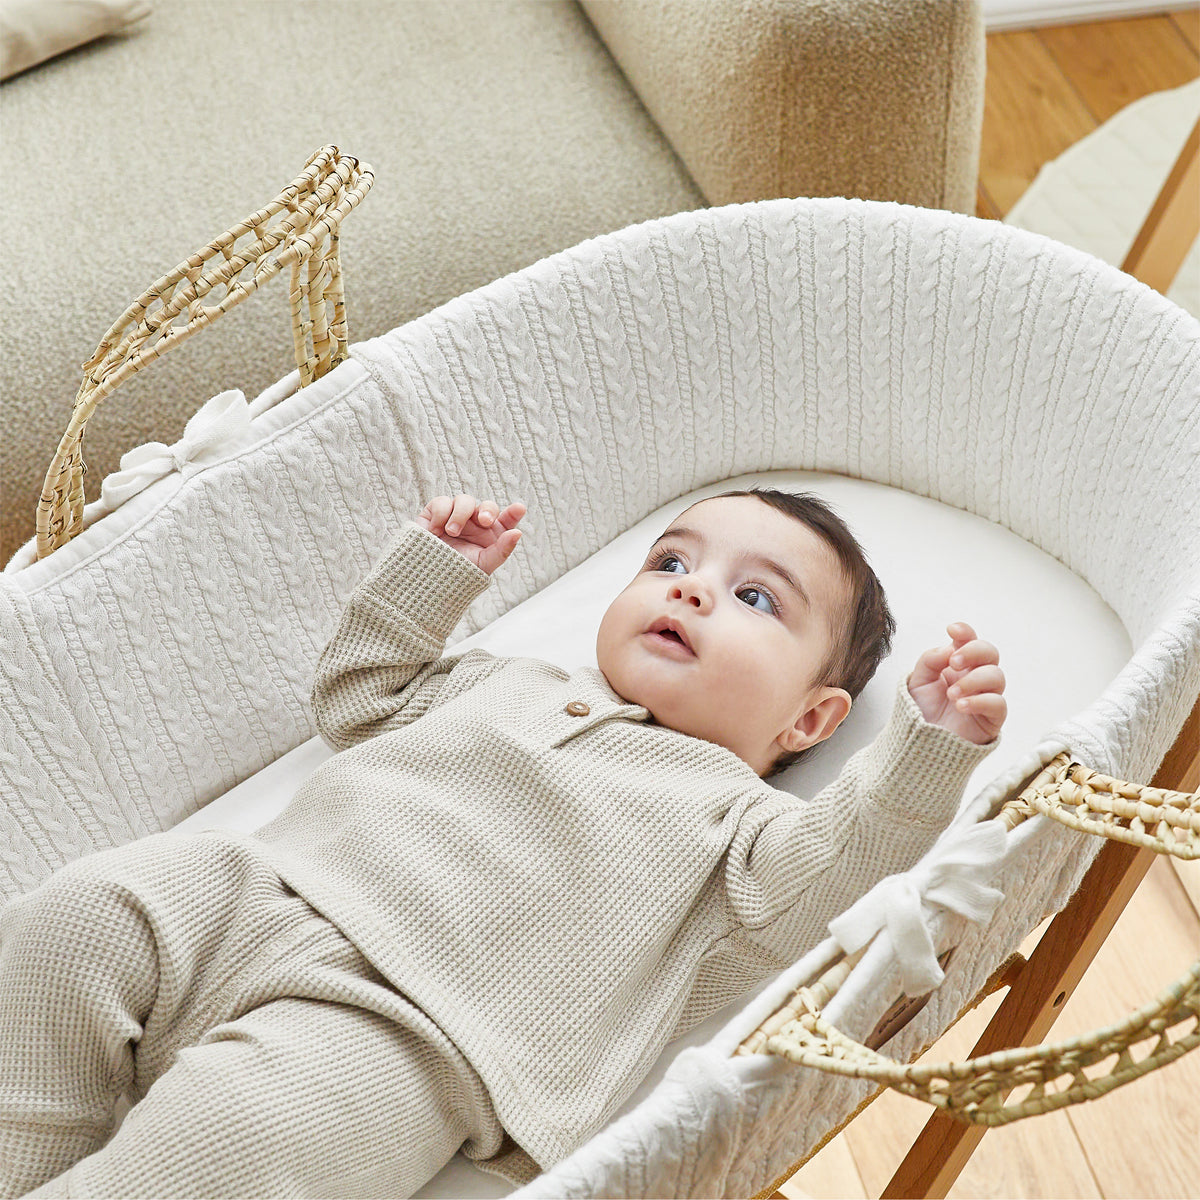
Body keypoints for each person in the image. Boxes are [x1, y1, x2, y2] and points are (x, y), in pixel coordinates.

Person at [0, 488, 1005, 1199]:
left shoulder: (743, 826)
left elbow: (835, 875)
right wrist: (433, 578)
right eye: (672, 561)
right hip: (251, 891)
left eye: (756, 599)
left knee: (236, 1145)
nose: (692, 589)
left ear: (811, 723)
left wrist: (923, 752)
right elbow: (360, 699)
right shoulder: (505, 679)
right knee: (73, 920)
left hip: (411, 1033)